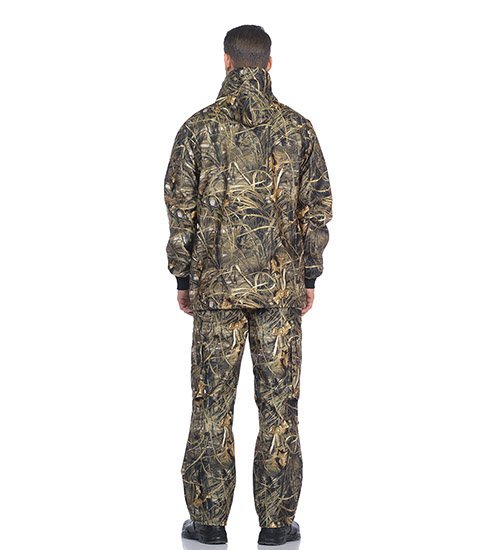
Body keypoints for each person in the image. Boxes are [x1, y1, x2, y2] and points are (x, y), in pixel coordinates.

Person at [164, 24, 333, 546]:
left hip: (216, 292)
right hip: (280, 293)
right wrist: (308, 275)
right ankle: (277, 526)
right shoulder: (298, 129)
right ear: (269, 64)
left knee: (210, 405)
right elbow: (317, 208)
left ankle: (208, 523)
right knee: (279, 407)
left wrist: (184, 276)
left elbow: (180, 208)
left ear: (227, 61)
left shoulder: (198, 129)